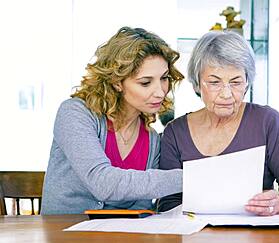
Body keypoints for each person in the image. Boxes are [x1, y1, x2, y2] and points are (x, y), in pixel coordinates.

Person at [158, 30, 279, 215]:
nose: (226, 94)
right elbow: (167, 205)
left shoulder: (267, 122)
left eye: (235, 82)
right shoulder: (175, 133)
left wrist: (278, 204)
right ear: (196, 84)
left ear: (247, 83)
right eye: (214, 82)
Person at [41, 26, 184, 214]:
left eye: (164, 78)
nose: (160, 92)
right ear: (117, 82)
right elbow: (102, 183)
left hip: (120, 238)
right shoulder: (75, 113)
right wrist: (190, 178)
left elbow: (141, 207)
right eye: (145, 82)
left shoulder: (152, 139)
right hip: (64, 235)